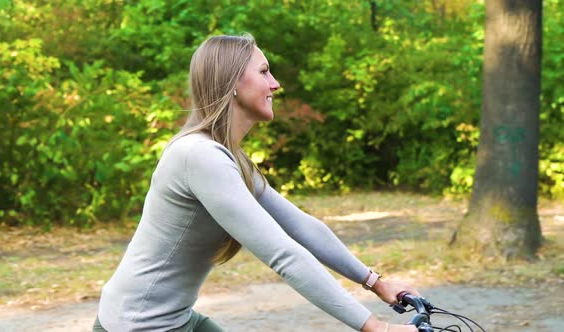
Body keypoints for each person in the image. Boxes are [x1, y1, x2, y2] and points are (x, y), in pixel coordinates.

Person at [93, 34, 420, 332]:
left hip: (175, 320)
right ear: (233, 81)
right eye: (264, 72)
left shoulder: (228, 157)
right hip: (136, 327)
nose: (275, 84)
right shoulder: (199, 156)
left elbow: (302, 227)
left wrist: (374, 282)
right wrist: (376, 327)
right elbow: (284, 255)